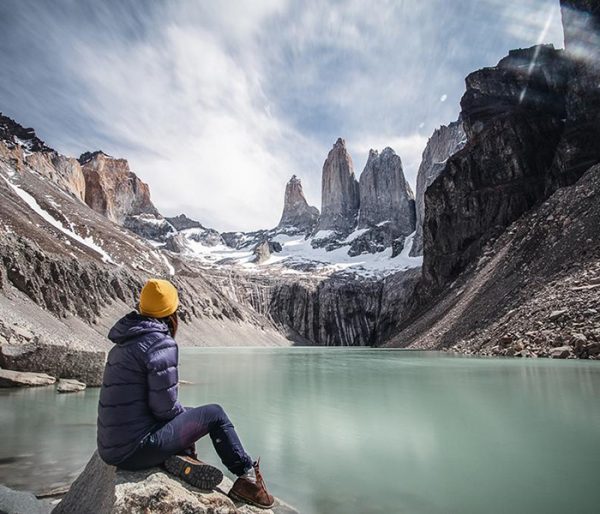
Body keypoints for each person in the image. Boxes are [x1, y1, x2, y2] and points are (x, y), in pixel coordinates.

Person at [97, 278, 274, 509]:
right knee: (215, 414)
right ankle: (248, 479)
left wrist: (185, 420)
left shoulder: (123, 343)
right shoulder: (159, 343)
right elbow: (164, 409)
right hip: (135, 450)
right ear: (172, 312)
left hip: (110, 448)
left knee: (190, 417)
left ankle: (181, 456)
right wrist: (186, 421)